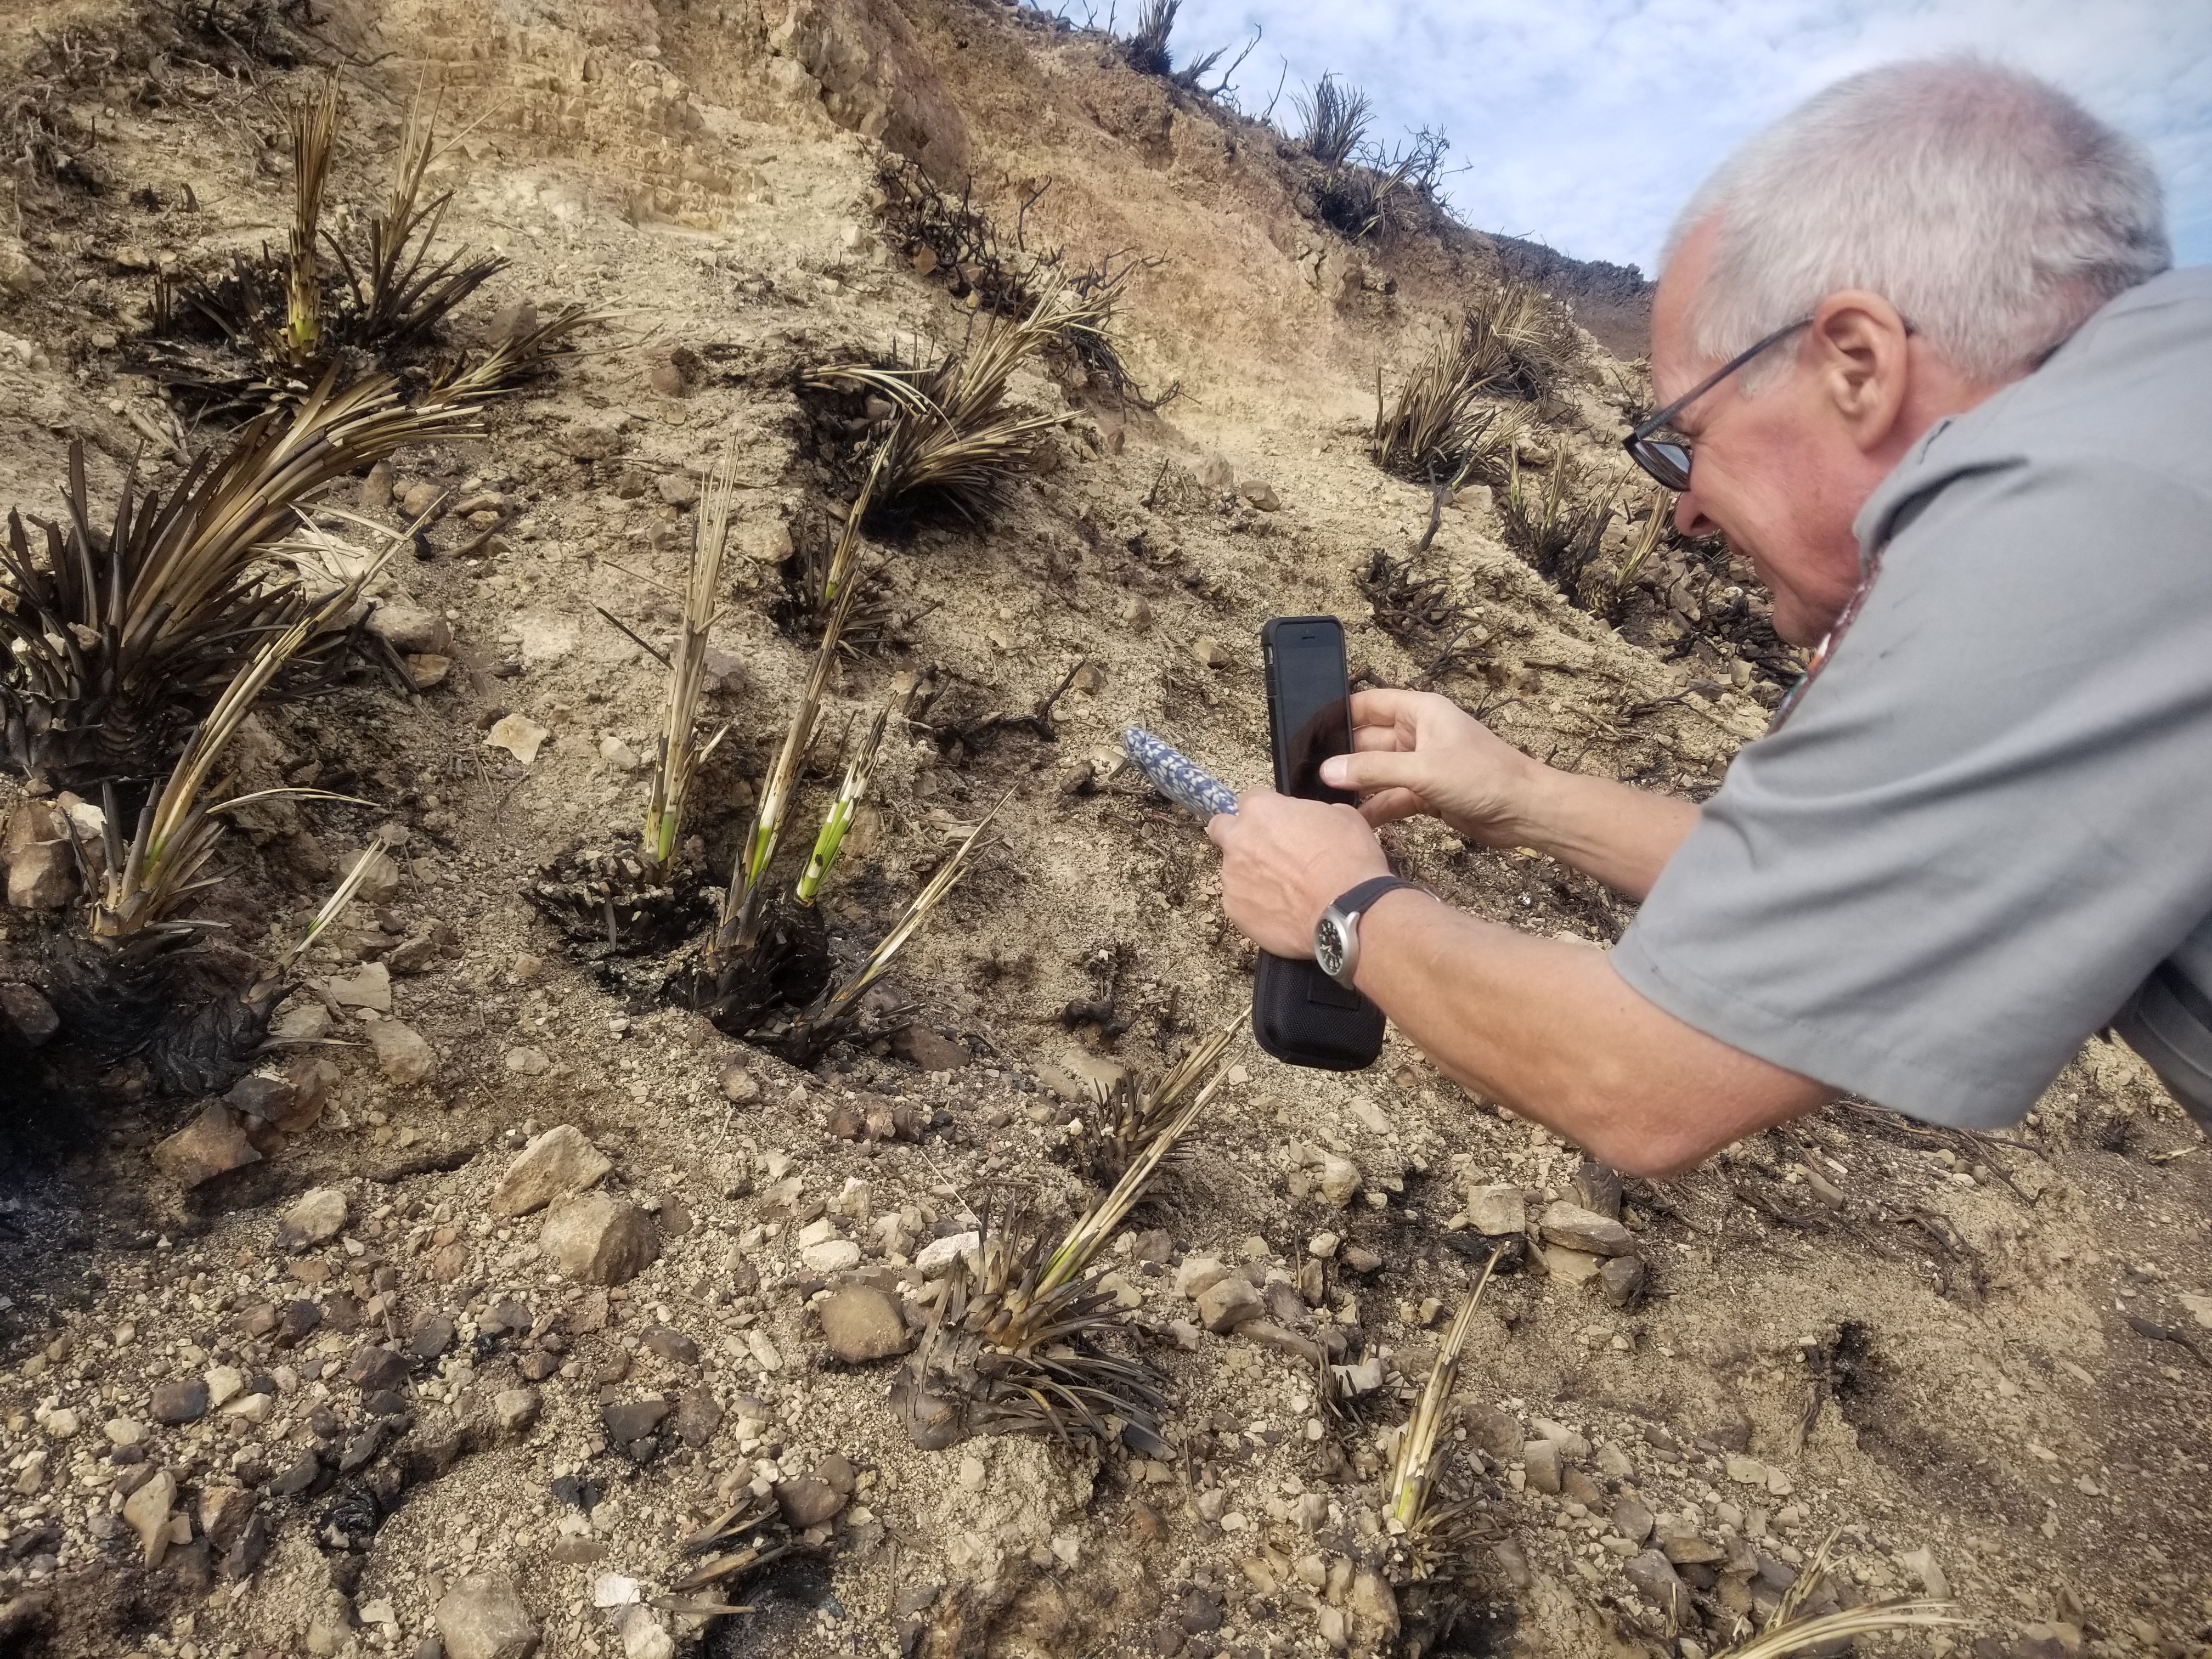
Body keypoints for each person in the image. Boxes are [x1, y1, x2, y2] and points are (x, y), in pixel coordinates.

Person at [1207, 57, 2211, 1176]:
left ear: (1857, 366)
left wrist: (1341, 906)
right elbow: (1834, 897)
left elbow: (1642, 1077)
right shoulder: (2145, 435)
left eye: (1687, 438)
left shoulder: (2059, 531)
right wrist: (1524, 797)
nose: (1682, 509)